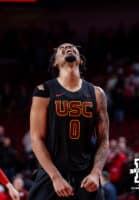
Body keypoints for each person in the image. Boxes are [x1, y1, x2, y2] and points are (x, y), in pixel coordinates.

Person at [29, 43, 109, 199]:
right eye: (62, 49)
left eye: (73, 48)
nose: (68, 48)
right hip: (52, 173)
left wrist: (96, 172)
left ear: (80, 61)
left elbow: (104, 140)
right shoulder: (44, 91)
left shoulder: (97, 93)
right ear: (55, 63)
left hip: (86, 174)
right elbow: (36, 138)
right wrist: (55, 177)